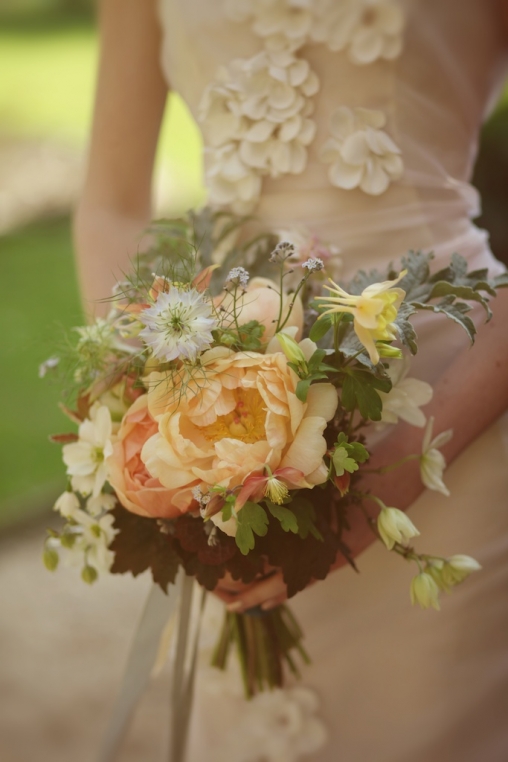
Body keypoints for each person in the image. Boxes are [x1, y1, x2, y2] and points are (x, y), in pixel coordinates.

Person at [75, 1, 508, 759]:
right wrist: (154, 406)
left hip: (450, 420)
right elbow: (110, 201)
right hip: (216, 408)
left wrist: (397, 470)